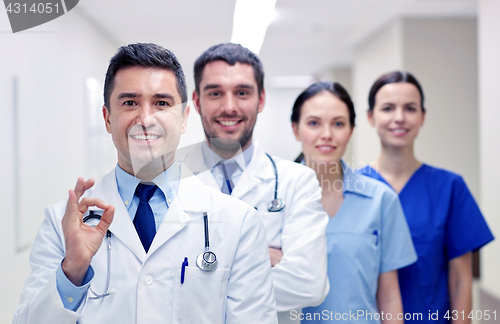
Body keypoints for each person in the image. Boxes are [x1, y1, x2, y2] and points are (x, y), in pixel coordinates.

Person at [13, 43, 277, 324]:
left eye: (162, 103)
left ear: (184, 117)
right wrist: (72, 271)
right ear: (107, 118)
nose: (146, 119)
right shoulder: (61, 224)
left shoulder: (238, 222)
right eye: (129, 103)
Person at [178, 43, 329, 320]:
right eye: (215, 93)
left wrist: (200, 280)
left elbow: (309, 284)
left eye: (242, 93)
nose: (229, 107)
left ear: (260, 100)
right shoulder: (169, 183)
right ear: (197, 102)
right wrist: (259, 259)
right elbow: (158, 285)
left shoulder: (297, 181)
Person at [358, 71, 494, 324]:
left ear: (422, 117)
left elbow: (461, 281)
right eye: (388, 108)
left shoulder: (450, 187)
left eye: (410, 108)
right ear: (370, 116)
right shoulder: (351, 189)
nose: (399, 118)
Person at [290, 81, 417, 323]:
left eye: (338, 124)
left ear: (351, 130)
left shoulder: (381, 200)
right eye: (314, 123)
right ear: (296, 129)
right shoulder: (272, 201)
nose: (327, 134)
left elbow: (389, 297)